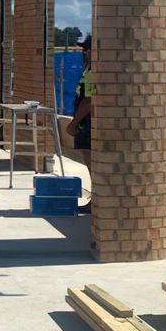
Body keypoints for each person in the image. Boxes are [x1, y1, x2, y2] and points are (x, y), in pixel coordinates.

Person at [66, 34, 94, 213]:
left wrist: (73, 123)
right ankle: (95, 199)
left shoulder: (94, 72)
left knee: (93, 163)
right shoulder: (89, 69)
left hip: (87, 123)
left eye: (86, 49)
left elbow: (89, 101)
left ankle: (96, 200)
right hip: (85, 122)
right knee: (89, 162)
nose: (84, 53)